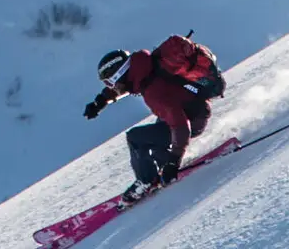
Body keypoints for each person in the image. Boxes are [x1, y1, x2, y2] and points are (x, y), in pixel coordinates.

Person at [83, 38, 223, 201]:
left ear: (120, 75)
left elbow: (181, 127)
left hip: (193, 119)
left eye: (110, 83)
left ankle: (146, 181)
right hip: (192, 109)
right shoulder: (146, 69)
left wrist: (174, 163)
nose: (111, 87)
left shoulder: (153, 92)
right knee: (155, 142)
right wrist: (101, 101)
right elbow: (129, 84)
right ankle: (162, 168)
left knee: (135, 138)